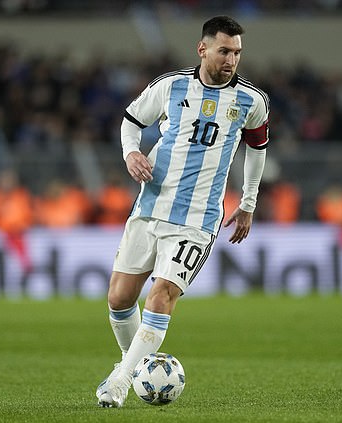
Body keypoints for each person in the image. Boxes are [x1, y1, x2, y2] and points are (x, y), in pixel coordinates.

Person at [95, 15, 269, 408]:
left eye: (237, 53)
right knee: (120, 299)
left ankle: (120, 382)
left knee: (161, 296)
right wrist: (131, 153)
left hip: (197, 220)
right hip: (151, 206)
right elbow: (130, 122)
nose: (231, 60)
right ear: (203, 48)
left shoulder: (251, 102)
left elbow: (258, 149)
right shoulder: (170, 86)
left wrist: (247, 203)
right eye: (224, 50)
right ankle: (135, 366)